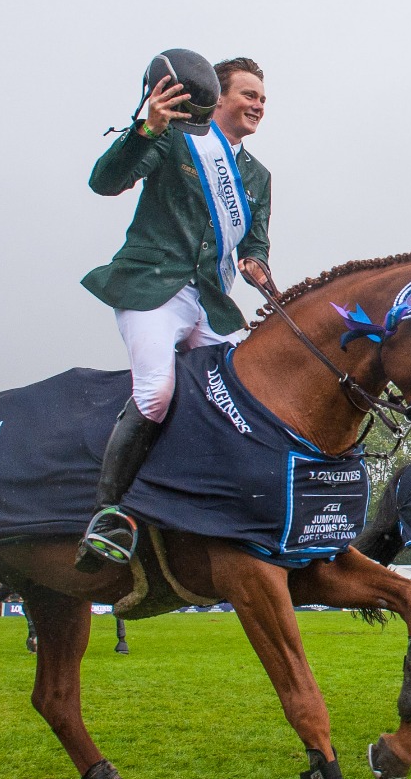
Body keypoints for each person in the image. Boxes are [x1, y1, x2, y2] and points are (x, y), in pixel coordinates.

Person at [76, 54, 276, 571]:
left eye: (262, 98)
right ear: (217, 95)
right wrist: (147, 128)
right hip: (154, 289)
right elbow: (106, 182)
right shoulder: (171, 135)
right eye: (248, 95)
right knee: (156, 391)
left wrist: (256, 262)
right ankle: (107, 516)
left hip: (212, 301)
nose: (258, 105)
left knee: (246, 396)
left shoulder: (257, 175)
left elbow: (254, 241)